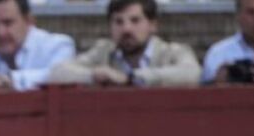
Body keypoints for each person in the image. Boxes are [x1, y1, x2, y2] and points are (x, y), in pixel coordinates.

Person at [50, 0, 200, 88]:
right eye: (118, 22)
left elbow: (192, 74)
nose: (126, 29)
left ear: (152, 25)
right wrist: (94, 75)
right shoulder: (103, 51)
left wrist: (132, 78)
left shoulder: (172, 52)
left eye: (135, 21)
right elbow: (57, 72)